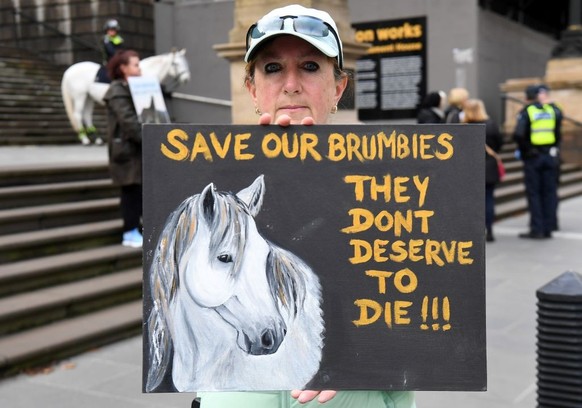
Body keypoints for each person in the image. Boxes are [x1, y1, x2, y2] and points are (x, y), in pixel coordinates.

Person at [195, 4, 416, 408]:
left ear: (338, 88)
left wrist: (372, 360)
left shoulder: (387, 187)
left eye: (311, 67)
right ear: (253, 88)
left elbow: (412, 309)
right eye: (273, 68)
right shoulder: (209, 190)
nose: (291, 84)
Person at [102, 49, 143, 248]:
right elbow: (129, 122)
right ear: (123, 68)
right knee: (131, 191)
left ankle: (137, 228)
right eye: (135, 64)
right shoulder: (118, 91)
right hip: (126, 152)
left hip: (136, 151)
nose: (139, 68)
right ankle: (130, 231)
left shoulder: (133, 88)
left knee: (139, 191)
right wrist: (150, 137)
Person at [513, 84, 562, 239]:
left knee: (534, 193)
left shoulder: (527, 112)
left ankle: (537, 228)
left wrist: (526, 150)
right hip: (550, 156)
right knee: (549, 192)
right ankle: (549, 227)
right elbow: (558, 131)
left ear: (527, 97)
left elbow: (519, 134)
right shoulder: (552, 110)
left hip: (534, 158)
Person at [462, 99, 504, 242]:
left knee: (472, 201)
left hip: (470, 167)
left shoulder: (464, 127)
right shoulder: (491, 125)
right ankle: (489, 231)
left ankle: (474, 231)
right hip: (489, 166)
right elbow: (499, 143)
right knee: (489, 199)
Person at [97, 19, 124, 83]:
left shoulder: (119, 39)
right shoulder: (106, 39)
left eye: (113, 30)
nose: (111, 32)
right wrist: (107, 43)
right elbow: (110, 51)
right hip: (108, 61)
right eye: (109, 30)